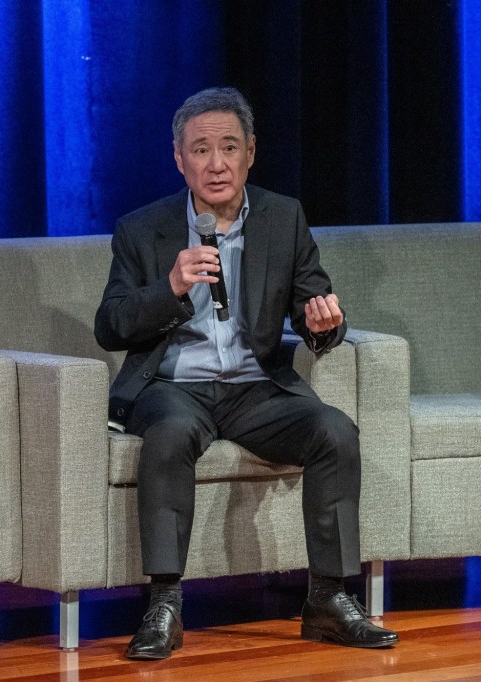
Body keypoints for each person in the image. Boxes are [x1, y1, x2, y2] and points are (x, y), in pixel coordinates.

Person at [94, 87, 399, 660]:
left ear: (250, 152)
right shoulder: (142, 229)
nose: (216, 163)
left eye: (228, 147)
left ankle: (328, 600)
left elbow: (316, 306)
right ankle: (163, 604)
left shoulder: (282, 217)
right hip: (172, 387)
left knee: (334, 431)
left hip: (256, 386)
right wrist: (171, 288)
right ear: (178, 158)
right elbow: (111, 326)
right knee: (169, 435)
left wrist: (323, 322)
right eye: (201, 149)